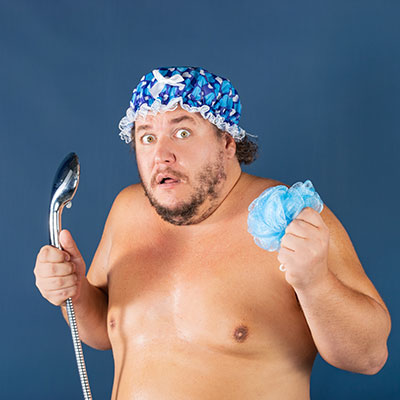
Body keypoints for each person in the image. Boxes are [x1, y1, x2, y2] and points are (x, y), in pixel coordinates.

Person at [34, 66, 391, 400]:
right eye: (147, 137)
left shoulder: (286, 216)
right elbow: (103, 331)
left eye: (182, 133)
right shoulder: (127, 210)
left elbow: (369, 357)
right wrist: (75, 292)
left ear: (227, 143)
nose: (162, 155)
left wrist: (315, 283)